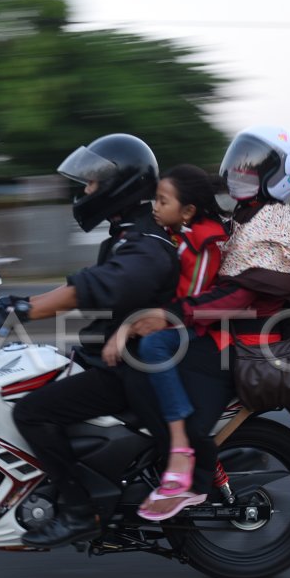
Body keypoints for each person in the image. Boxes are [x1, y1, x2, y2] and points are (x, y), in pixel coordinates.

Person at [0, 133, 180, 549]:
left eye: (92, 183)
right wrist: (19, 303)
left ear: (121, 184)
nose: (85, 192)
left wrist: (20, 311)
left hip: (131, 369)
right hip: (117, 358)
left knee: (31, 412)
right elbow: (85, 285)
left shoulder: (146, 244)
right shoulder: (128, 236)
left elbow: (93, 287)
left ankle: (80, 510)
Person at [122, 126, 290, 520]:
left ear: (279, 176)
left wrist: (171, 315)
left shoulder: (269, 226)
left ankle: (188, 472)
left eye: (252, 166)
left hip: (243, 345)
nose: (240, 171)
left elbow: (237, 297)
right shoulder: (251, 215)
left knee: (153, 357)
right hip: (227, 332)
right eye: (239, 161)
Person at [100, 164, 228, 519]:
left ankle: (179, 445)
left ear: (187, 210)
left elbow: (193, 302)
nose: (154, 207)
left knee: (153, 347)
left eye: (162, 200)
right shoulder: (182, 235)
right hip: (183, 317)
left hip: (201, 327)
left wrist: (132, 328)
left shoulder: (206, 240)